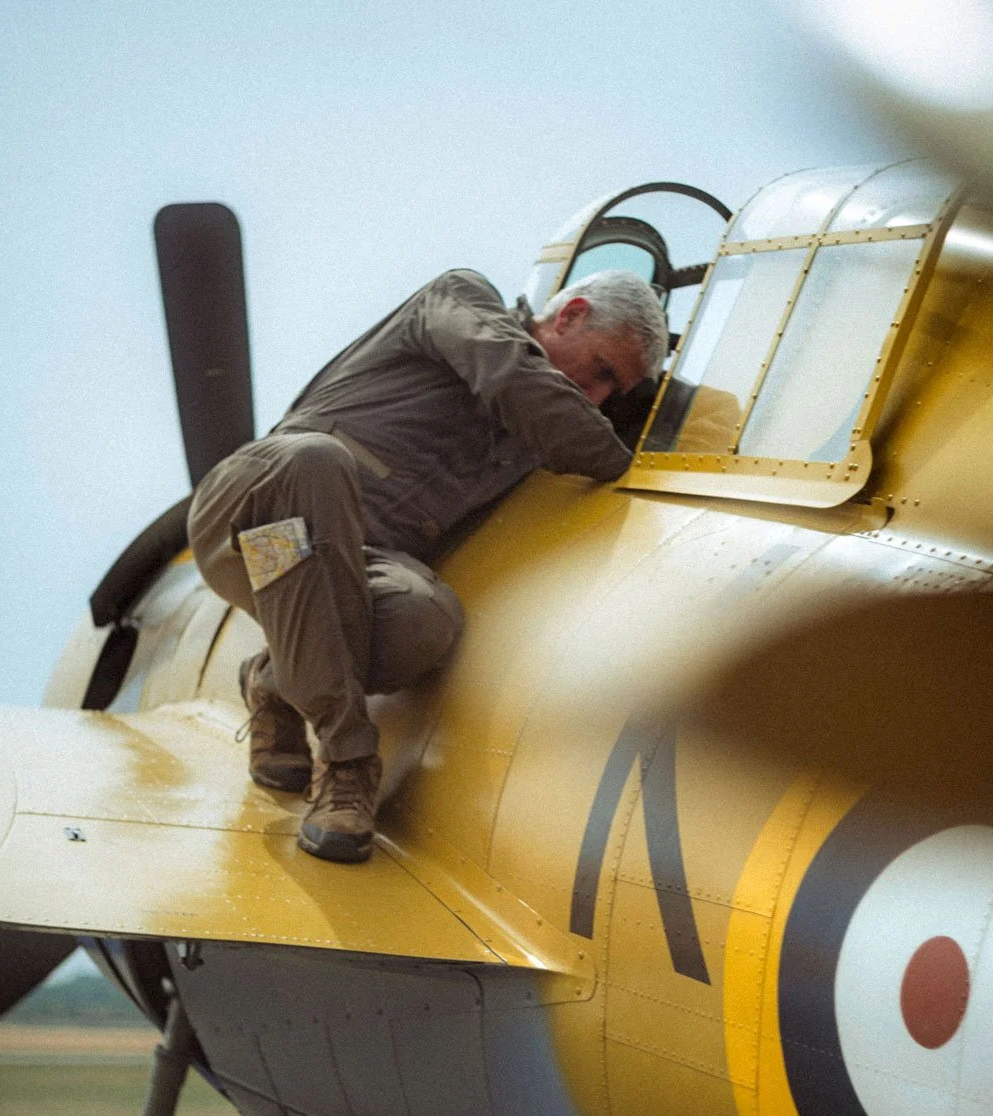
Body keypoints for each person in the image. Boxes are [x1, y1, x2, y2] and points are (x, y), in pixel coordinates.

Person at [188, 267, 666, 865]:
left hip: (344, 572)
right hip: (258, 526)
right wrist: (621, 459)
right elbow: (523, 387)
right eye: (601, 371)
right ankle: (347, 765)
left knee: (424, 619)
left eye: (613, 393)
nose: (596, 398)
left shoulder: (536, 435)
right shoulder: (461, 299)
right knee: (314, 460)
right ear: (569, 315)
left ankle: (277, 678)